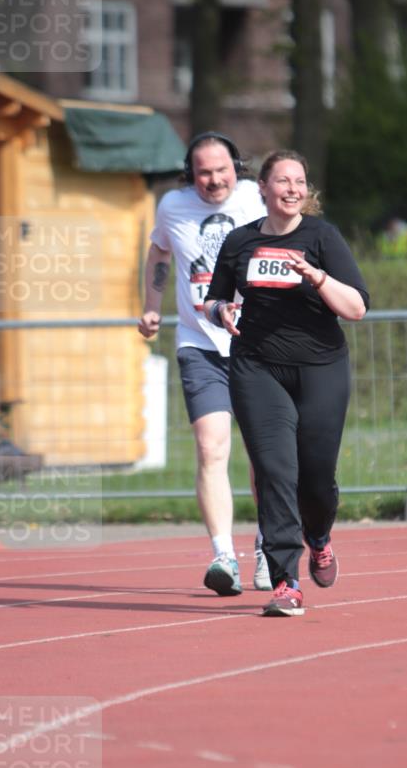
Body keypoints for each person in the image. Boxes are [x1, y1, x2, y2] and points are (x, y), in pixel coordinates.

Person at [203, 150, 369, 616]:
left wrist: (317, 277)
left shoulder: (322, 236)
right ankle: (285, 582)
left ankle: (318, 537)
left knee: (315, 478)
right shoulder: (239, 242)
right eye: (283, 181)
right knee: (276, 472)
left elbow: (356, 307)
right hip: (257, 368)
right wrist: (222, 311)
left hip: (320, 369)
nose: (293, 189)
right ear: (263, 189)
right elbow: (214, 300)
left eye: (299, 181)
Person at [138, 132, 271, 596]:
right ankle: (223, 556)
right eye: (204, 173)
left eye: (221, 170)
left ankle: (267, 548)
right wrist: (152, 304)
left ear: (237, 166)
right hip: (200, 344)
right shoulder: (173, 207)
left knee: (263, 456)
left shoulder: (258, 197)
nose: (214, 180)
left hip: (257, 344)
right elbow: (159, 251)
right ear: (189, 174)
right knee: (211, 449)